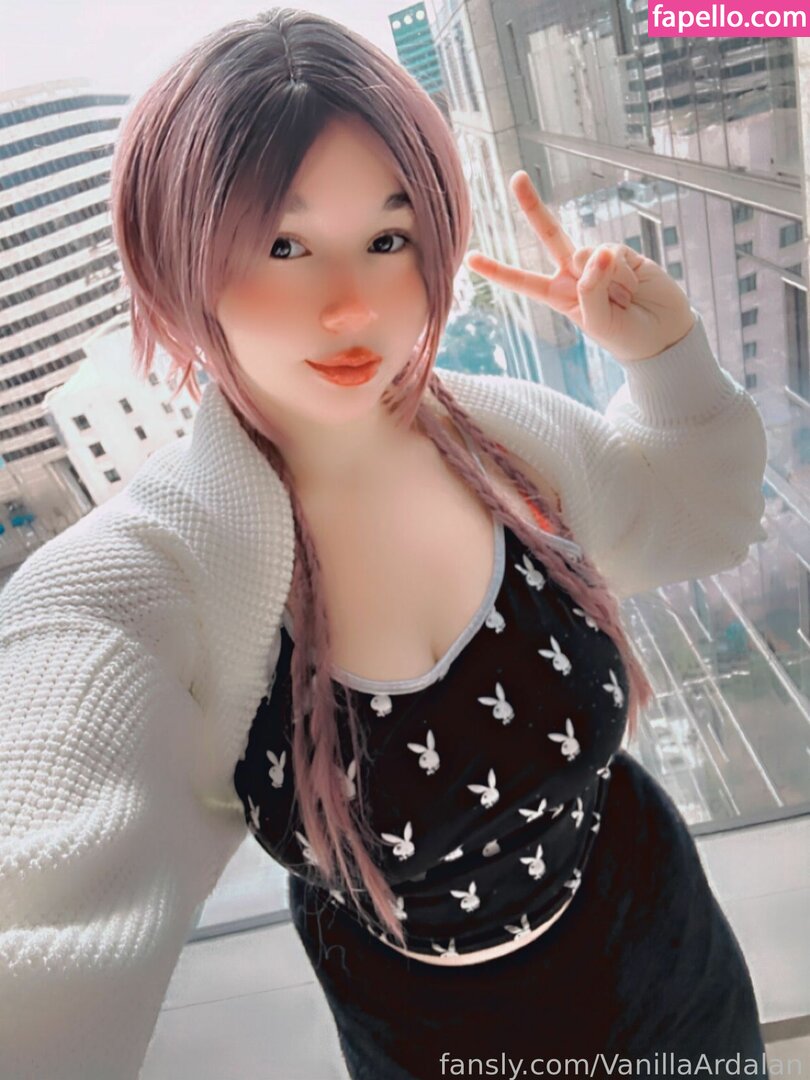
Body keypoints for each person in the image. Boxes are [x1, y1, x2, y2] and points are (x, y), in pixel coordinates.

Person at [0, 8, 771, 1079]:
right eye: (284, 245)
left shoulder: (509, 440)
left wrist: (667, 359)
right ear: (179, 261)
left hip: (659, 937)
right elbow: (35, 890)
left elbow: (704, 521)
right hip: (428, 1032)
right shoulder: (160, 572)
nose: (349, 306)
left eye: (388, 238)